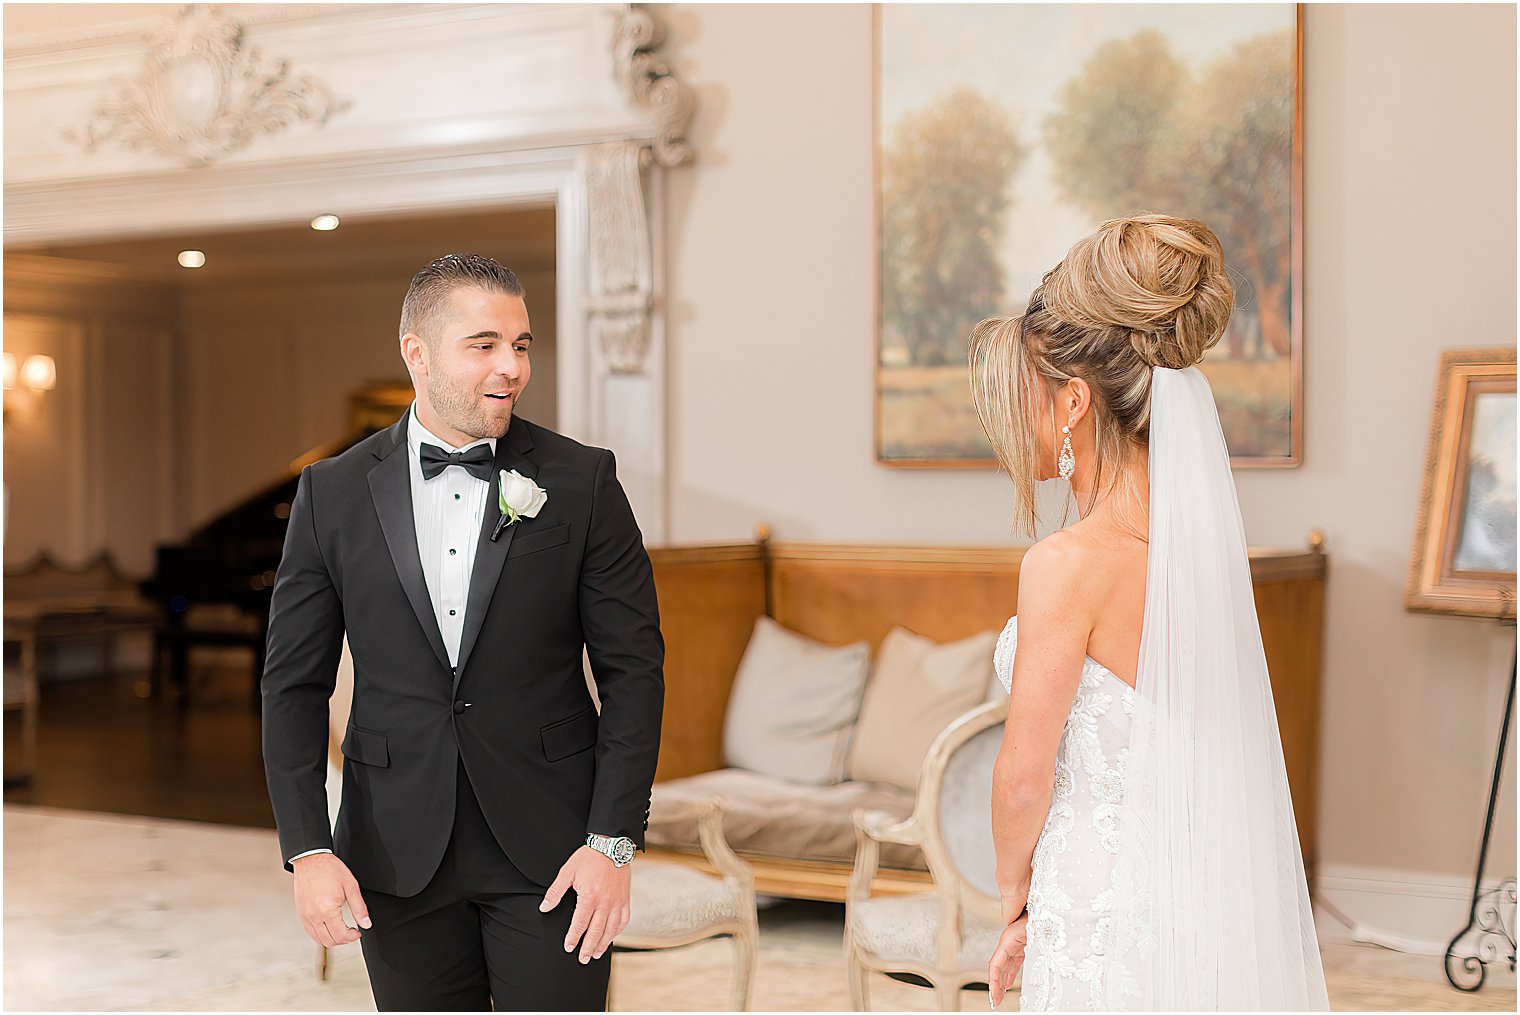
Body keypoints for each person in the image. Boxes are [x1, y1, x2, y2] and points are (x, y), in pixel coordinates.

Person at [261, 253, 664, 1011]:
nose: (510, 367)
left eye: (521, 345)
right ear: (416, 351)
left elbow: (635, 671)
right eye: (483, 344)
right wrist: (309, 848)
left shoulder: (583, 482)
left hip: (554, 848)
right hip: (393, 849)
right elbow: (292, 684)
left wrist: (612, 841)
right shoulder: (331, 493)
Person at [970, 215, 1328, 1010]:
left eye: (1028, 392)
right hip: (1202, 887)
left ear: (1072, 401)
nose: (1013, 420)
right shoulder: (1198, 555)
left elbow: (1023, 777)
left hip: (1101, 903)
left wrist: (1012, 895)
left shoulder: (1065, 566)